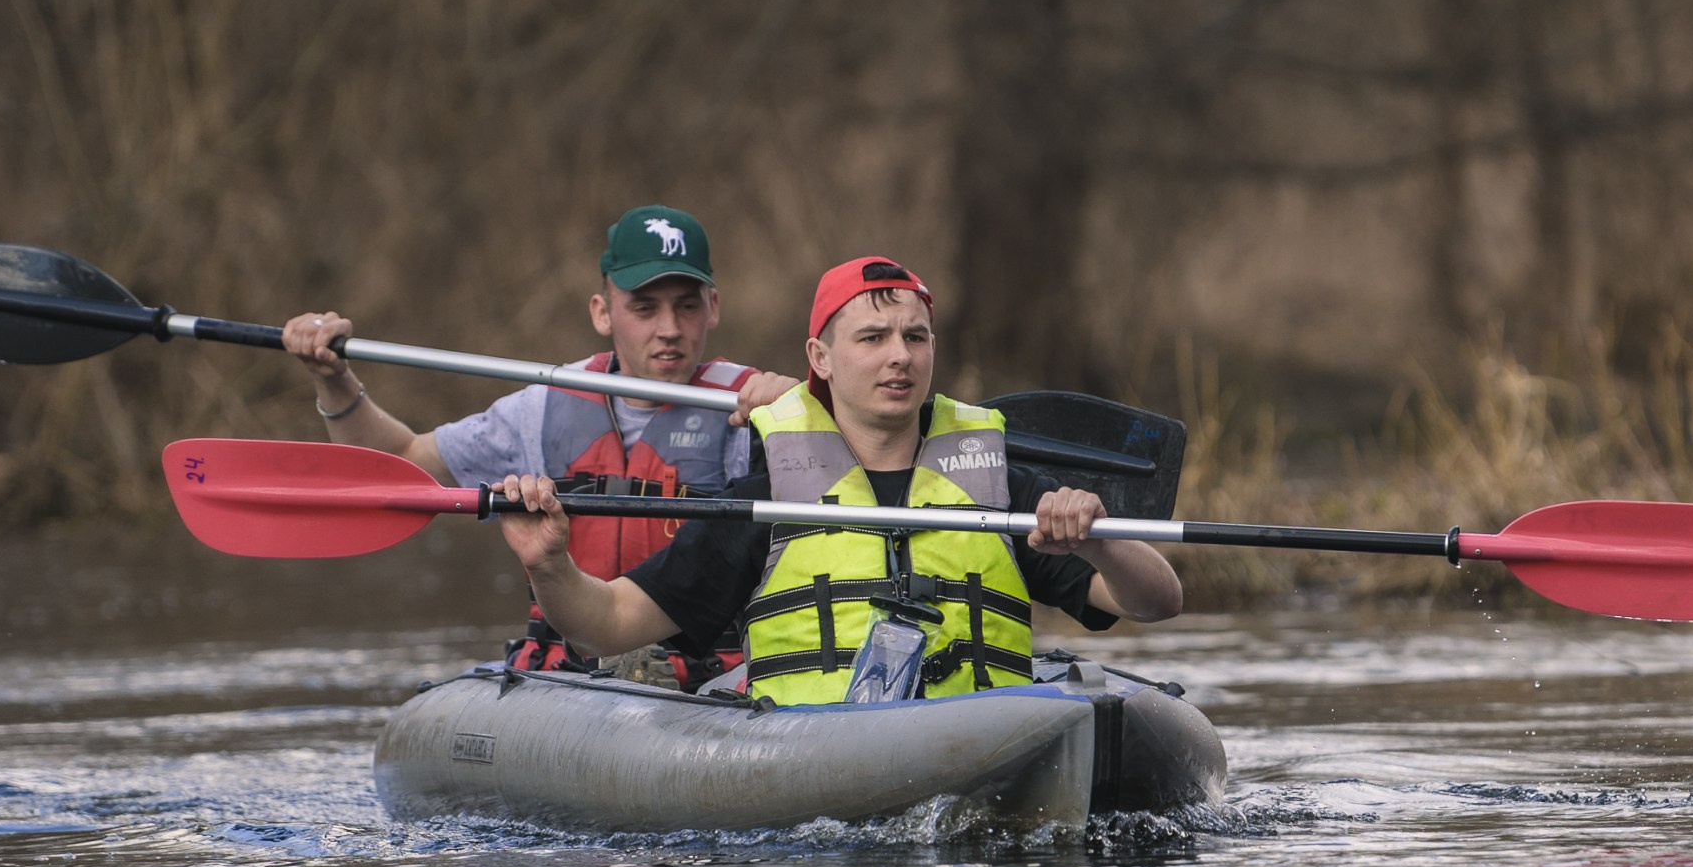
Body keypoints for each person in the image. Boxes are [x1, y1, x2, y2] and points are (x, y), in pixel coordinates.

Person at [496, 253, 1182, 695]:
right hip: (814, 775)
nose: (900, 357)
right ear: (820, 358)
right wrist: (549, 565)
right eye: (873, 338)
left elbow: (1158, 600)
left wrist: (1098, 542)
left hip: (985, 753)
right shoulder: (765, 501)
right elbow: (609, 624)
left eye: (915, 337)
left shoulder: (1001, 486)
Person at [281, 205, 795, 678]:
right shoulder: (543, 407)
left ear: (713, 307)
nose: (670, 329)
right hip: (567, 677)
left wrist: (804, 419)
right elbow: (399, 463)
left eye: (687, 306)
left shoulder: (759, 411)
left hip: (705, 682)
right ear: (602, 312)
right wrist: (334, 380)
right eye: (644, 308)